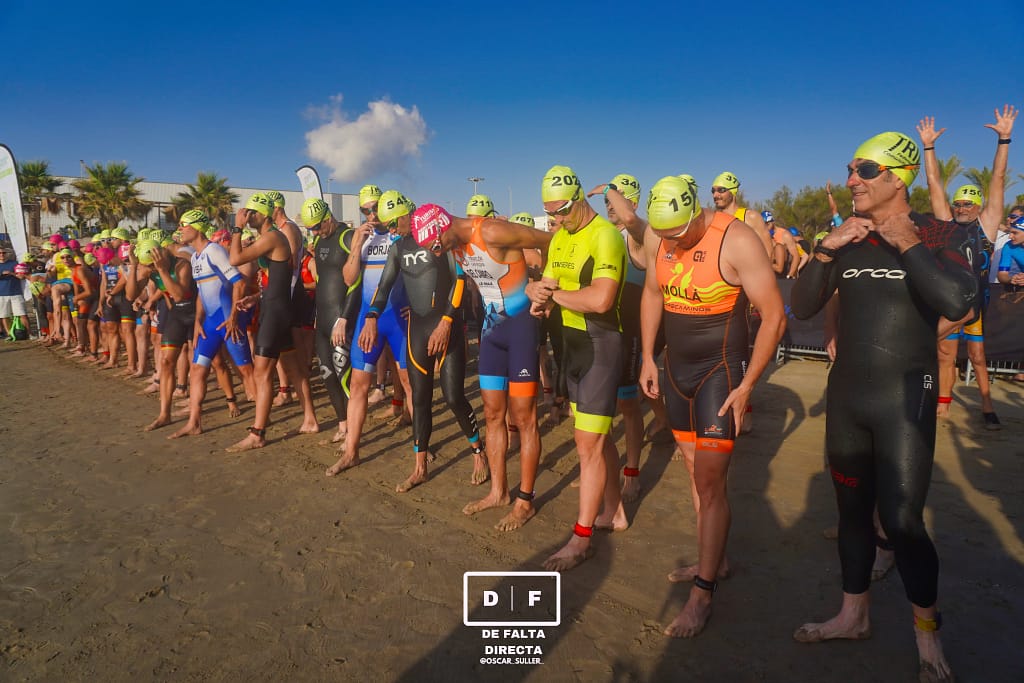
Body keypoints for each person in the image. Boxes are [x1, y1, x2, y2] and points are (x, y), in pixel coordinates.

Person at [791, 131, 977, 683]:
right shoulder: (847, 236)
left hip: (904, 397)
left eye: (865, 170)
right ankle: (853, 616)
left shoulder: (938, 232)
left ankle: (927, 637)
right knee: (851, 514)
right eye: (850, 169)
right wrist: (827, 247)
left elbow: (958, 301)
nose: (852, 179)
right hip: (848, 396)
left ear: (899, 177)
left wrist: (909, 244)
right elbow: (802, 304)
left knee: (902, 521)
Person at [638, 175, 785, 637]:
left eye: (679, 234)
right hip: (675, 370)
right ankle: (714, 561)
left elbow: (774, 316)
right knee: (692, 472)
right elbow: (652, 293)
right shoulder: (659, 235)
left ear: (695, 212)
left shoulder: (736, 239)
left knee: (710, 481)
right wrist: (647, 357)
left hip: (719, 373)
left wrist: (748, 385)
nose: (672, 243)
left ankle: (702, 594)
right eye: (664, 236)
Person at [411, 198, 551, 531]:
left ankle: (525, 501)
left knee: (524, 418)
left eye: (435, 245)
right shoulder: (454, 246)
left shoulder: (492, 231)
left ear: (444, 226)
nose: (436, 253)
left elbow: (550, 241)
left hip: (521, 329)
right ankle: (498, 492)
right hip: (491, 333)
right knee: (492, 414)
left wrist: (545, 287)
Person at [526, 164, 630, 572]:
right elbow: (550, 286)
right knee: (596, 438)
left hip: (601, 344)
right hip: (570, 346)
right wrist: (537, 294)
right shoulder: (560, 238)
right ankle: (615, 511)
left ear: (580, 197)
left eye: (563, 210)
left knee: (587, 444)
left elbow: (602, 300)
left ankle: (581, 539)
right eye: (550, 212)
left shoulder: (605, 236)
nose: (557, 218)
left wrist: (554, 297)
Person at [362, 202, 486, 492]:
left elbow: (459, 280)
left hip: (447, 326)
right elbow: (384, 285)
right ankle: (420, 468)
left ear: (407, 215)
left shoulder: (437, 236)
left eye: (394, 223)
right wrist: (371, 316)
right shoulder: (398, 248)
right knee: (420, 399)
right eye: (388, 226)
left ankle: (478, 451)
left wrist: (446, 322)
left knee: (454, 397)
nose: (391, 230)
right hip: (418, 329)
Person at [917, 105, 1017, 427]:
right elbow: (934, 182)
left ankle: (987, 406)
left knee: (977, 356)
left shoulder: (986, 226)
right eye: (957, 203)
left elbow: (998, 179)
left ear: (978, 207)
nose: (961, 208)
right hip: (948, 300)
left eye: (967, 204)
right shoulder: (945, 224)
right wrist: (928, 147)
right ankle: (943, 403)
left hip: (976, 302)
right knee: (944, 354)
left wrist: (1004, 140)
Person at [328, 189, 415, 476]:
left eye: (375, 207)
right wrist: (356, 245)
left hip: (398, 319)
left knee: (409, 383)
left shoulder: (401, 234)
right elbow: (349, 279)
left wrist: (418, 305)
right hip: (369, 320)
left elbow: (424, 272)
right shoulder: (363, 238)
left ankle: (421, 447)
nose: (372, 214)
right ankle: (351, 452)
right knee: (358, 386)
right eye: (365, 210)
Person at [169, 210, 256, 439]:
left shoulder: (214, 251)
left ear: (197, 227)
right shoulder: (195, 257)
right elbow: (201, 292)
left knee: (246, 371)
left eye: (184, 225)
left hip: (228, 318)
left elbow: (239, 283)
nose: (180, 229)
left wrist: (234, 316)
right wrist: (198, 321)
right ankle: (194, 422)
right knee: (197, 369)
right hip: (209, 323)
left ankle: (260, 422)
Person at [225, 192, 296, 451]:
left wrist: (237, 228)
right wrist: (256, 297)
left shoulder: (273, 237)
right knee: (295, 369)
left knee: (262, 371)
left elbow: (235, 259)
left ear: (264, 215)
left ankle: (258, 434)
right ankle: (310, 419)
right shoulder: (268, 238)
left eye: (252, 212)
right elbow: (275, 279)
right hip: (272, 306)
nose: (247, 216)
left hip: (276, 311)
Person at [298, 198, 361, 445]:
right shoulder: (318, 240)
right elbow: (322, 282)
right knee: (327, 374)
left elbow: (355, 284)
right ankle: (342, 425)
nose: (314, 232)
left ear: (328, 218)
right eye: (310, 229)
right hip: (323, 319)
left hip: (340, 320)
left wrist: (344, 318)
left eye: (316, 227)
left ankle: (353, 432)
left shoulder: (347, 237)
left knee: (345, 376)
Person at [125, 238, 197, 432]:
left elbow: (179, 294)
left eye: (151, 265)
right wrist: (134, 267)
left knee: (208, 363)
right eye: (148, 266)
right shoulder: (150, 269)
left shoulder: (181, 264)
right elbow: (130, 295)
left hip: (197, 314)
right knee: (166, 362)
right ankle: (165, 414)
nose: (150, 269)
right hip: (177, 315)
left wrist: (163, 270)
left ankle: (232, 399)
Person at [710, 171, 773, 257]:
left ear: (733, 191)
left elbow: (768, 252)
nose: (715, 195)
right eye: (713, 191)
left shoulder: (751, 217)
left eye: (721, 190)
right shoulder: (714, 220)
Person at [0, 246, 30, 340]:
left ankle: (29, 334)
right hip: (1, 294)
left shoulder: (14, 263)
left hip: (16, 293)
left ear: (7, 254)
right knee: (4, 315)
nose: (2, 255)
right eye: (0, 253)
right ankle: (10, 334)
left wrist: (11, 273)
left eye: (3, 253)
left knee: (22, 314)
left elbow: (21, 277)